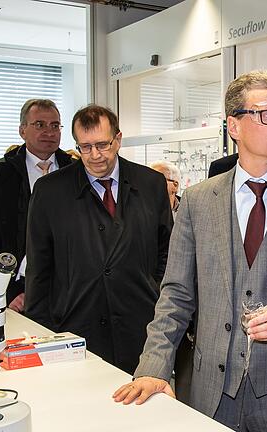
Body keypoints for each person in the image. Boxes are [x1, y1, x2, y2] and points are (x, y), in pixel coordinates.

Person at [113, 70, 267, 432]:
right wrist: (154, 367)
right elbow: (176, 295)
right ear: (234, 125)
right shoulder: (199, 201)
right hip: (212, 395)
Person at [25, 104, 172, 374]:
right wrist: (41, 334)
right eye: (85, 147)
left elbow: (168, 253)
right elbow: (39, 268)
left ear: (118, 139)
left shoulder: (150, 183)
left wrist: (154, 291)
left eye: (103, 145)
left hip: (140, 326)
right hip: (76, 328)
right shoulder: (50, 192)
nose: (94, 156)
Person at [0, 98, 75, 312]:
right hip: (16, 290)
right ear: (22, 130)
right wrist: (5, 292)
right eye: (40, 125)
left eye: (55, 125)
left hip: (71, 290)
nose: (49, 132)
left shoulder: (76, 172)